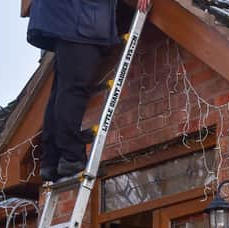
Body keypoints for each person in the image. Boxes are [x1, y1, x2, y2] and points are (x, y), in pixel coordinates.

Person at [27, 0, 151, 182]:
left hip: (67, 18)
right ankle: (70, 156)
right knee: (74, 89)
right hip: (78, 19)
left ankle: (51, 159)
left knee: (62, 90)